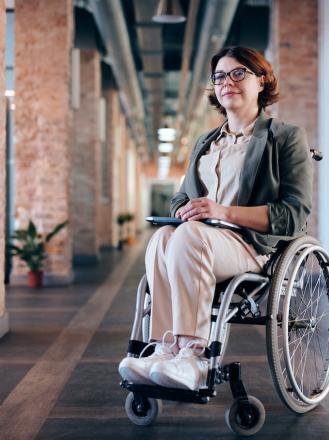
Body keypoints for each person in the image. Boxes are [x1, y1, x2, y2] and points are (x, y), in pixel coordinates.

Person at [118, 46, 313, 391]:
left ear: (262, 81)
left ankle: (193, 356)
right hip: (199, 241)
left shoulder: (284, 138)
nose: (227, 82)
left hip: (250, 247)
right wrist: (183, 209)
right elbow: (183, 194)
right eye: (220, 76)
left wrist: (222, 212)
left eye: (239, 73)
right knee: (163, 236)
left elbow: (295, 215)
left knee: (188, 236)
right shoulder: (206, 142)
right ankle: (165, 348)